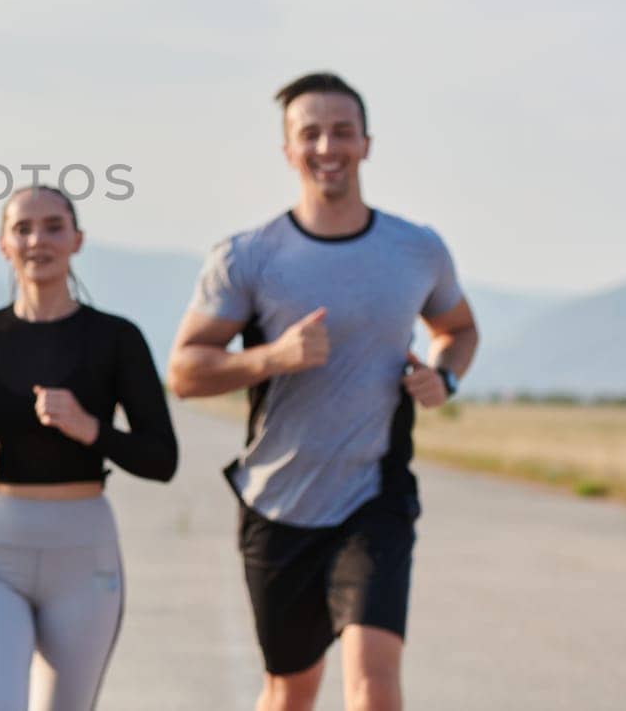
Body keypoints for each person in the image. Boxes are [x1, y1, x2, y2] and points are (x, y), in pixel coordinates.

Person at [167, 72, 479, 711]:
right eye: (310, 133)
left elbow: (459, 329)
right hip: (276, 503)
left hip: (376, 497)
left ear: (367, 144)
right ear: (288, 151)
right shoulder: (248, 256)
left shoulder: (417, 249)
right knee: (290, 692)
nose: (327, 146)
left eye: (342, 131)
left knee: (374, 685)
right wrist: (273, 356)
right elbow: (185, 371)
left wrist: (442, 376)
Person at [0, 184, 178, 711]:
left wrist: (90, 428)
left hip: (83, 552)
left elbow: (162, 458)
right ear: (3, 244)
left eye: (53, 226)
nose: (37, 239)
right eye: (22, 228)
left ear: (77, 239)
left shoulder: (117, 339)